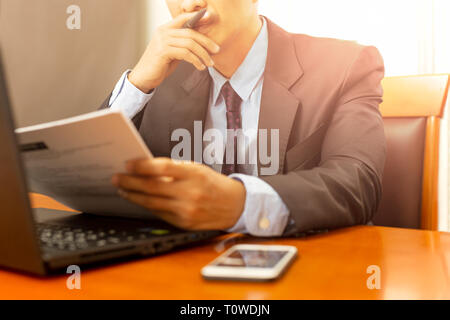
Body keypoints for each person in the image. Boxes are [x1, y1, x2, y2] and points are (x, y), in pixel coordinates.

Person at [105, 0, 386, 237]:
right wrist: (137, 85)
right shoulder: (159, 78)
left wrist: (239, 203)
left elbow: (357, 185)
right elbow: (91, 179)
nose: (189, 5)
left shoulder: (345, 65)